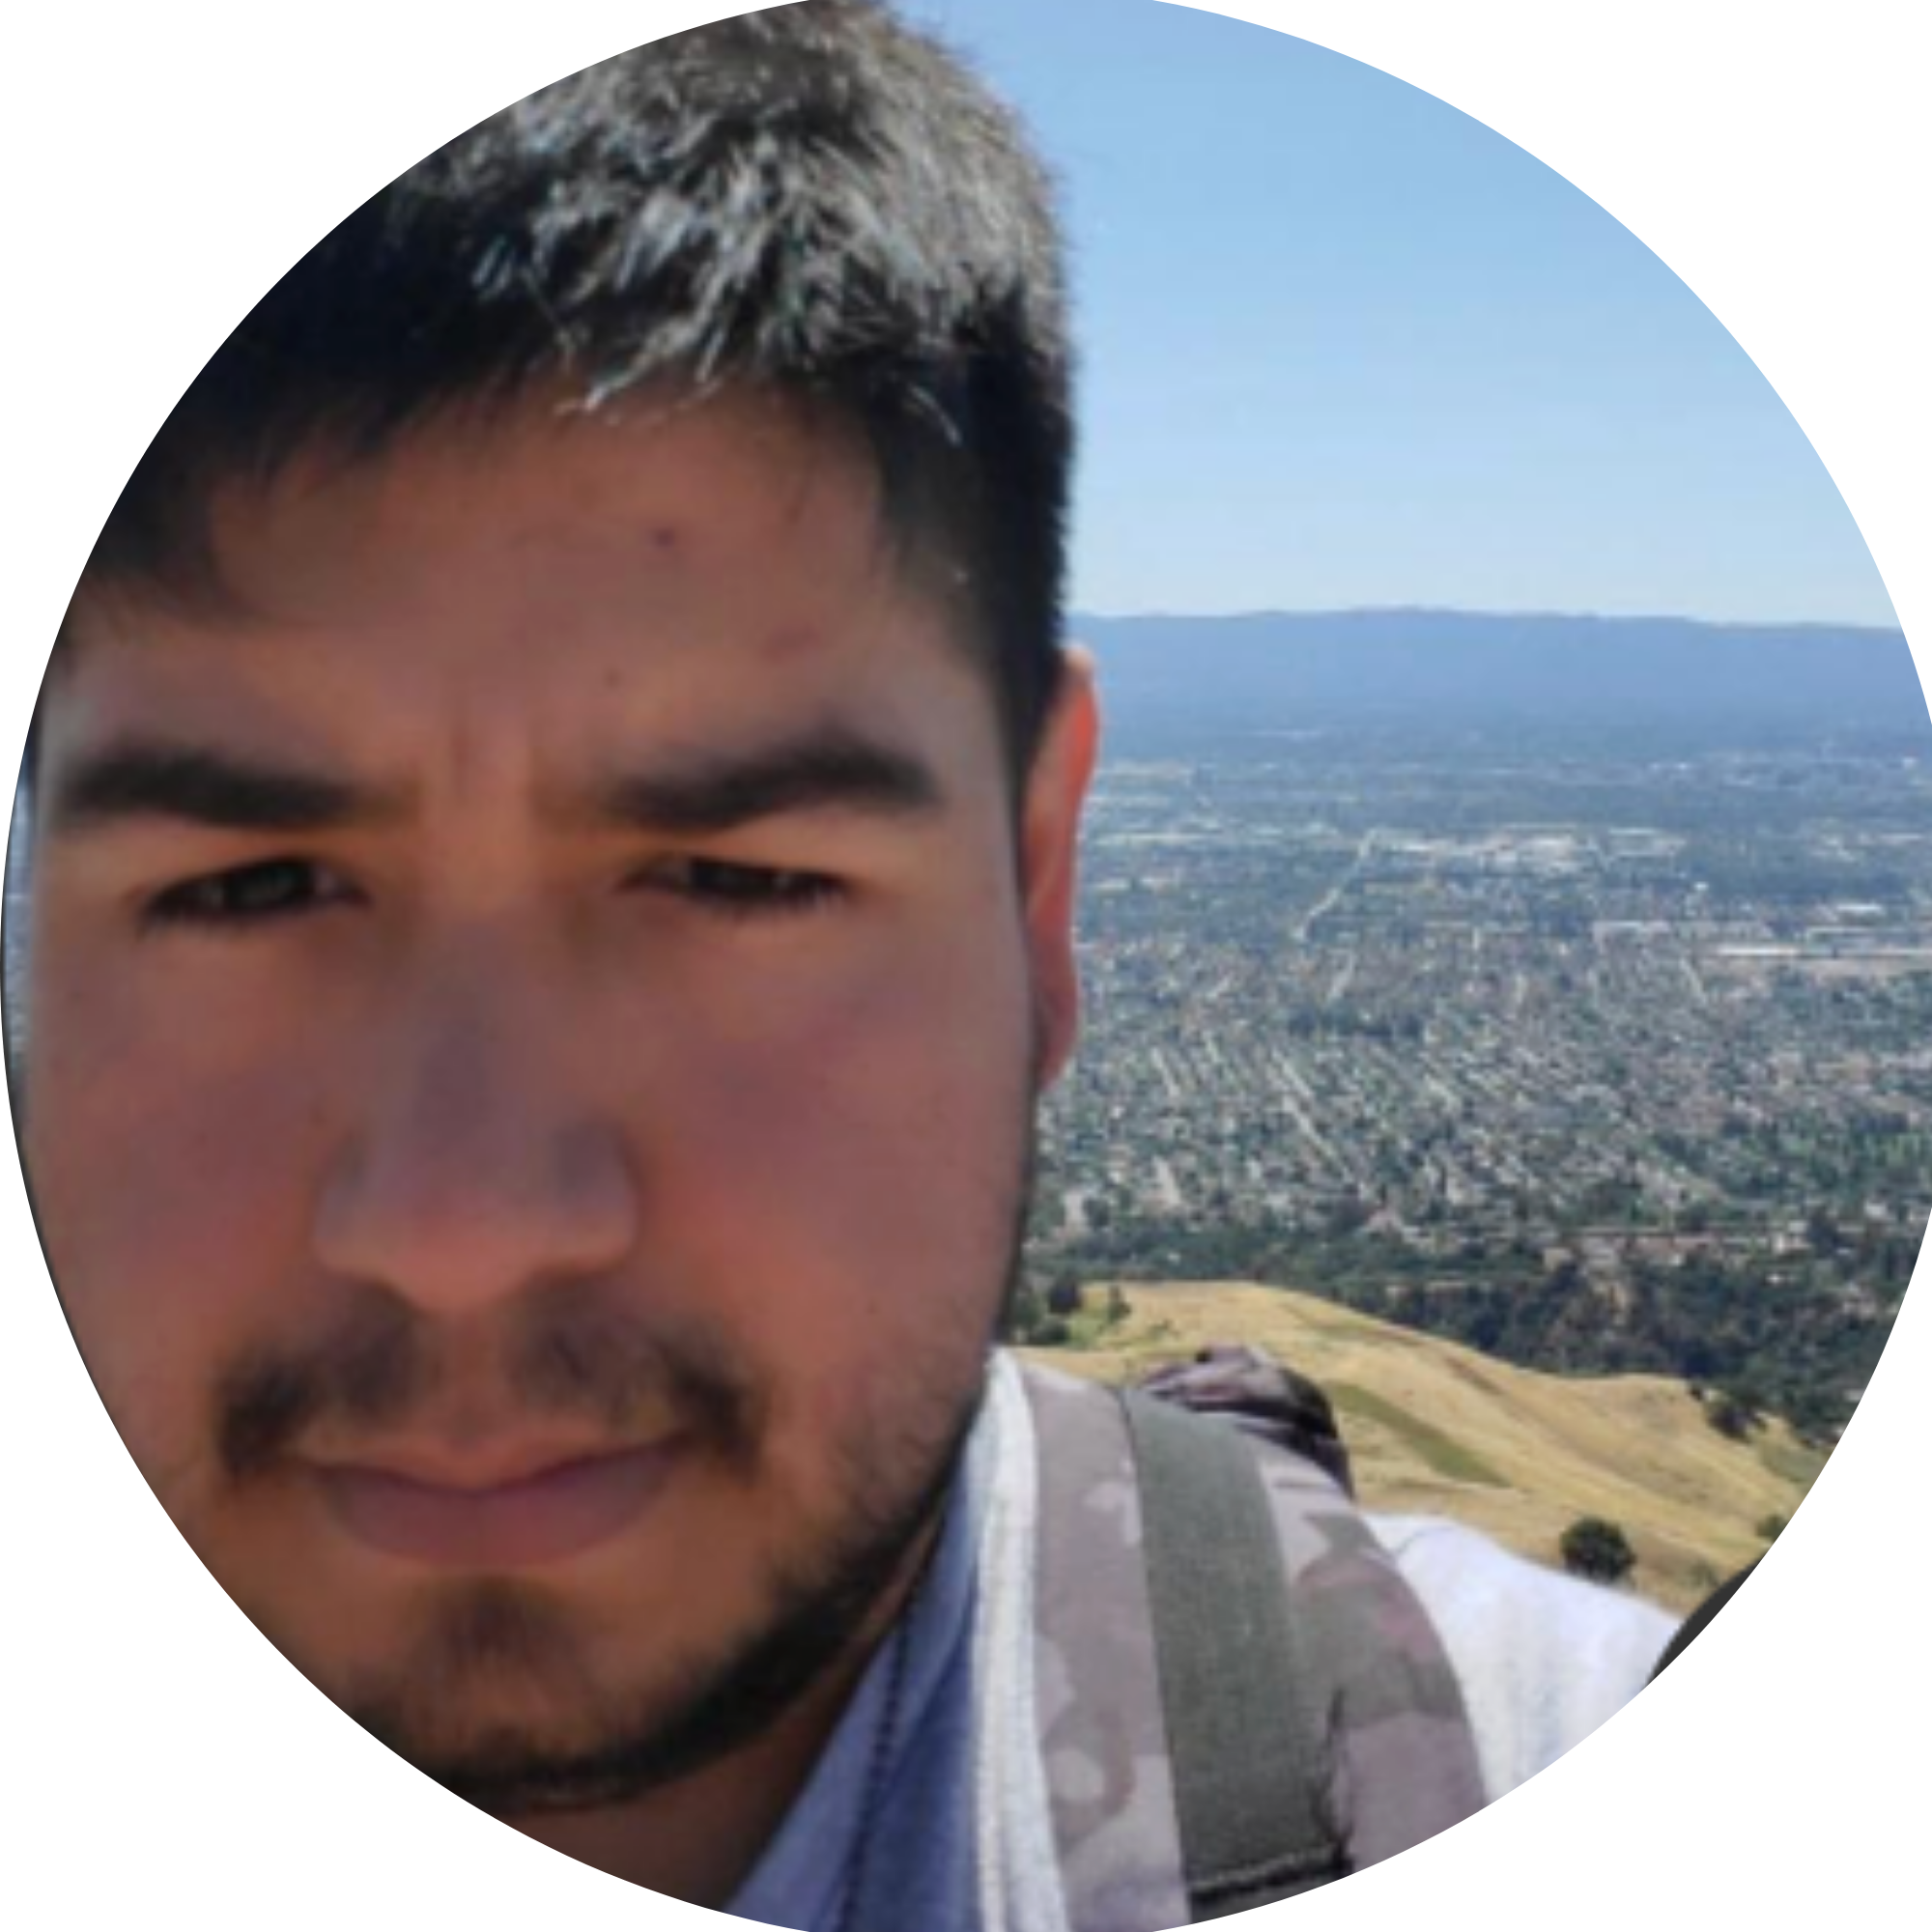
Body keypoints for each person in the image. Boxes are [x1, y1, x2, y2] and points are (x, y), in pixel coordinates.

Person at [8, 6, 1676, 1925]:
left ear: (1035, 890)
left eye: (729, 881)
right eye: (254, 884)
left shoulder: (1541, 1794)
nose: (462, 1219)